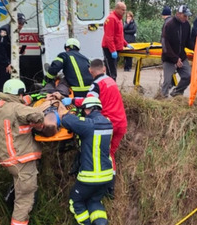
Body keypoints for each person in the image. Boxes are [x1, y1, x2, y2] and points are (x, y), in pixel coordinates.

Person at [62, 59, 127, 198]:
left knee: (99, 151)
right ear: (103, 69)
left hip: (107, 123)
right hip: (121, 122)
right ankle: (110, 188)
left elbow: (88, 103)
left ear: (90, 71)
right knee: (110, 154)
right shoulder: (110, 80)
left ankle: (102, 186)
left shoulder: (96, 85)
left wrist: (71, 101)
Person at [0, 78, 44, 225]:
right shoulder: (17, 108)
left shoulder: (0, 106)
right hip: (21, 159)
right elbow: (37, 116)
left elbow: (16, 106)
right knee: (25, 198)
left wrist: (29, 98)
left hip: (7, 159)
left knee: (19, 188)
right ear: (20, 93)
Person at [61, 97, 113, 225]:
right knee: (94, 201)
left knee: (75, 201)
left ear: (87, 110)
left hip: (90, 176)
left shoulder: (89, 125)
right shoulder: (108, 122)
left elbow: (67, 120)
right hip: (106, 175)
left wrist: (67, 110)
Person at [0, 13, 27, 115]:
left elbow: (9, 48)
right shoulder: (4, 30)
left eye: (22, 24)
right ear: (14, 21)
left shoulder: (14, 32)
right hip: (0, 63)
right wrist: (7, 63)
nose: (21, 26)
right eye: (19, 23)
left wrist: (18, 51)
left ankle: (9, 107)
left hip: (8, 63)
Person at [161, 5, 194, 98]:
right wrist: (175, 59)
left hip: (182, 57)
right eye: (185, 16)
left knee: (188, 76)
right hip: (169, 58)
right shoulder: (169, 24)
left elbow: (188, 41)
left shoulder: (187, 25)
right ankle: (161, 99)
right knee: (167, 82)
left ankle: (177, 92)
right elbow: (164, 43)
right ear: (178, 14)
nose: (186, 18)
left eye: (187, 16)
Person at [102, 2, 132, 81]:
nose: (124, 12)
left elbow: (118, 35)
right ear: (117, 9)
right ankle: (110, 90)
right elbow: (109, 37)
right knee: (111, 72)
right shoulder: (112, 19)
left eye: (125, 10)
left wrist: (126, 44)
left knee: (113, 71)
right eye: (122, 10)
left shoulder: (119, 19)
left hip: (115, 48)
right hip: (109, 49)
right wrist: (112, 50)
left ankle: (113, 88)